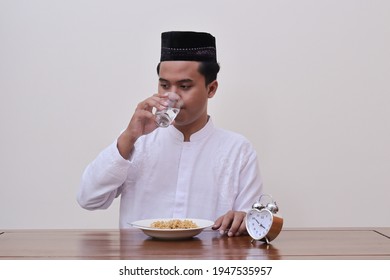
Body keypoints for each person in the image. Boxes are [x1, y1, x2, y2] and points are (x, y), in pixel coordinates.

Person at [78, 31, 263, 237]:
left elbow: (252, 222)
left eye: (184, 86)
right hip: (140, 265)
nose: (171, 96)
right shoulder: (137, 141)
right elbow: (88, 199)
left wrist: (244, 220)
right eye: (164, 85)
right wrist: (128, 137)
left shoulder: (237, 149)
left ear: (211, 89)